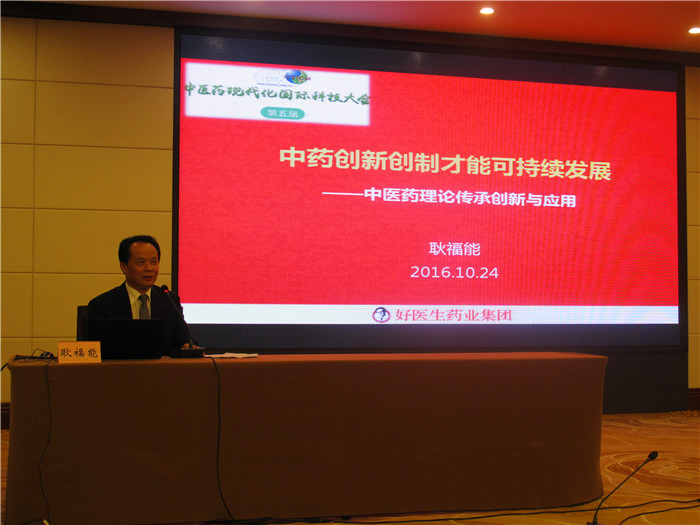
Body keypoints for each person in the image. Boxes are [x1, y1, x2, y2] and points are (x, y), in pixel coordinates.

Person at [87, 235, 191, 355]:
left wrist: (187, 346)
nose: (149, 268)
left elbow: (184, 340)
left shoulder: (169, 300)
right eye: (141, 262)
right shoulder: (102, 305)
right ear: (124, 267)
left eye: (154, 262)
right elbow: (93, 351)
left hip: (161, 367)